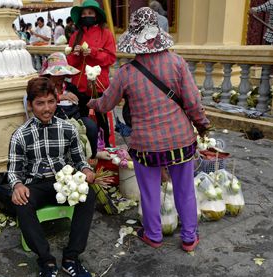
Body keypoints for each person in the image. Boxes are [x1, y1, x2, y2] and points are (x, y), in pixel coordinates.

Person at [88, 8, 211, 252]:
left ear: (134, 39)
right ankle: (189, 238)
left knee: (150, 192)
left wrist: (91, 102)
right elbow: (193, 102)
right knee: (185, 190)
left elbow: (106, 104)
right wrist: (203, 125)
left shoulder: (126, 73)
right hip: (181, 142)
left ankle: (154, 235)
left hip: (146, 146)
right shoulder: (177, 62)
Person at [7, 77, 97, 277]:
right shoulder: (20, 135)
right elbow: (13, 171)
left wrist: (85, 171)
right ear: (30, 105)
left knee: (89, 194)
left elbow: (79, 159)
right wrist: (17, 185)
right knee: (21, 203)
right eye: (40, 103)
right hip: (35, 185)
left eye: (50, 102)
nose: (46, 108)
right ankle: (46, 263)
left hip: (63, 182)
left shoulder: (67, 129)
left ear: (57, 101)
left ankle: (71, 258)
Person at [66, 0, 116, 147]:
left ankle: (106, 149)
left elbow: (111, 58)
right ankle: (82, 151)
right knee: (80, 121)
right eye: (84, 13)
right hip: (79, 86)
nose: (86, 16)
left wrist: (93, 52)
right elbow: (69, 63)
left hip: (98, 86)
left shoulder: (106, 34)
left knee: (102, 122)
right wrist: (75, 54)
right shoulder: (75, 36)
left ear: (96, 16)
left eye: (90, 13)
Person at [40, 52, 99, 158]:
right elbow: (40, 101)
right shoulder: (44, 88)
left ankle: (92, 157)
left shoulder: (70, 87)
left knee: (91, 126)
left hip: (75, 119)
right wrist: (59, 97)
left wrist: (90, 89)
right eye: (57, 74)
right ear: (50, 74)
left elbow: (84, 101)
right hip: (55, 121)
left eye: (62, 73)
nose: (60, 76)